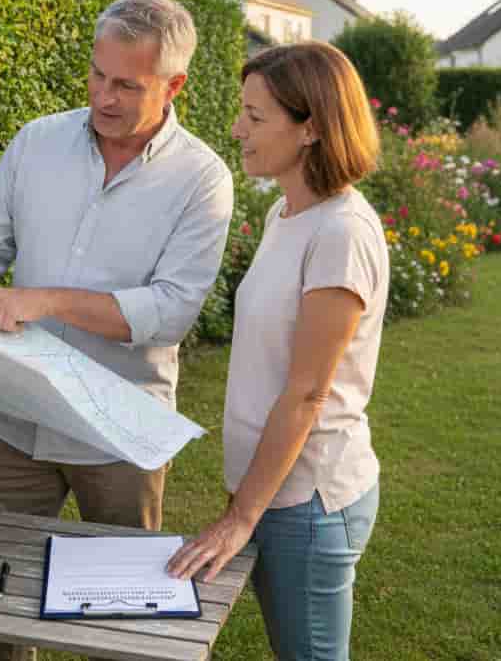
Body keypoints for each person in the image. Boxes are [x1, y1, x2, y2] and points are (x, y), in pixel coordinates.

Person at [0, 0, 233, 661]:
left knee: (123, 620)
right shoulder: (37, 141)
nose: (104, 96)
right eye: (96, 74)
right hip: (17, 422)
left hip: (118, 431)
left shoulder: (203, 179)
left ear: (175, 84)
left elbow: (170, 311)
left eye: (127, 84)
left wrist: (47, 300)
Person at [168, 41, 389, 661]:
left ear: (311, 127)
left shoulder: (340, 233)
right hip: (269, 492)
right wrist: (244, 503)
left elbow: (308, 392)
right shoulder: (285, 213)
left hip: (309, 503)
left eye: (255, 117)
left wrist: (241, 518)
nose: (237, 128)